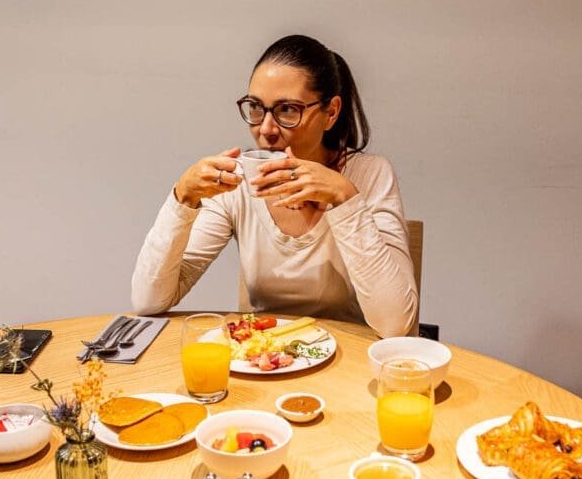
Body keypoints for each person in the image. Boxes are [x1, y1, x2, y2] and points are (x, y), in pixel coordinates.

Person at [131, 34, 418, 336]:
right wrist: (183, 198)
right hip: (264, 360)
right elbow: (149, 301)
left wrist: (344, 198)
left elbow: (396, 323)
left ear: (331, 112)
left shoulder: (369, 175)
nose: (265, 129)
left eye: (287, 110)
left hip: (351, 363)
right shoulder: (238, 182)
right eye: (256, 107)